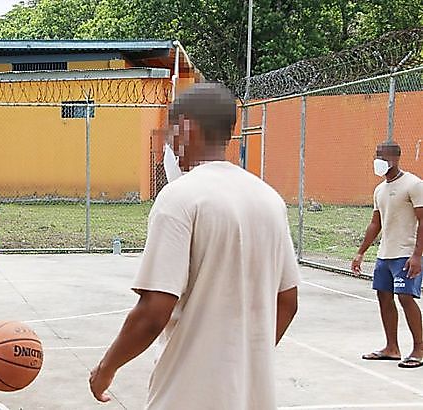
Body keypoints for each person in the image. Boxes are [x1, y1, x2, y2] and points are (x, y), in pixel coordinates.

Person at [88, 83, 300, 409]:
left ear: (185, 128)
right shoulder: (269, 199)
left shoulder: (180, 198)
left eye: (170, 134)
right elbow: (287, 301)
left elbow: (153, 311)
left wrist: (106, 368)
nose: (168, 147)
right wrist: (243, 359)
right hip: (250, 397)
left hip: (186, 395)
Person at [353, 142, 423, 368]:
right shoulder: (379, 190)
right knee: (384, 297)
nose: (377, 159)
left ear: (395, 158)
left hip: (406, 253)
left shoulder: (413, 184)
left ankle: (419, 349)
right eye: (376, 155)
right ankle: (391, 348)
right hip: (385, 254)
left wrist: (417, 255)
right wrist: (361, 252)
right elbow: (376, 223)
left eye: (381, 156)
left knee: (405, 297)